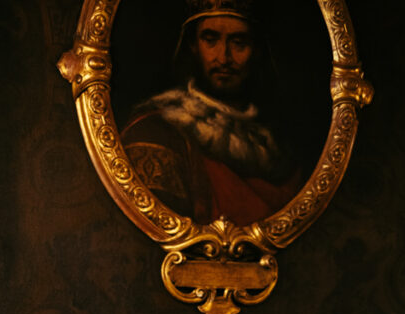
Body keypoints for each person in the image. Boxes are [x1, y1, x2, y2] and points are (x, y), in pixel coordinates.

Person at [121, 0, 301, 225]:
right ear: (193, 45)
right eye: (210, 40)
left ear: (256, 50)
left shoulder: (277, 146)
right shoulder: (154, 131)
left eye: (239, 43)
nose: (223, 58)